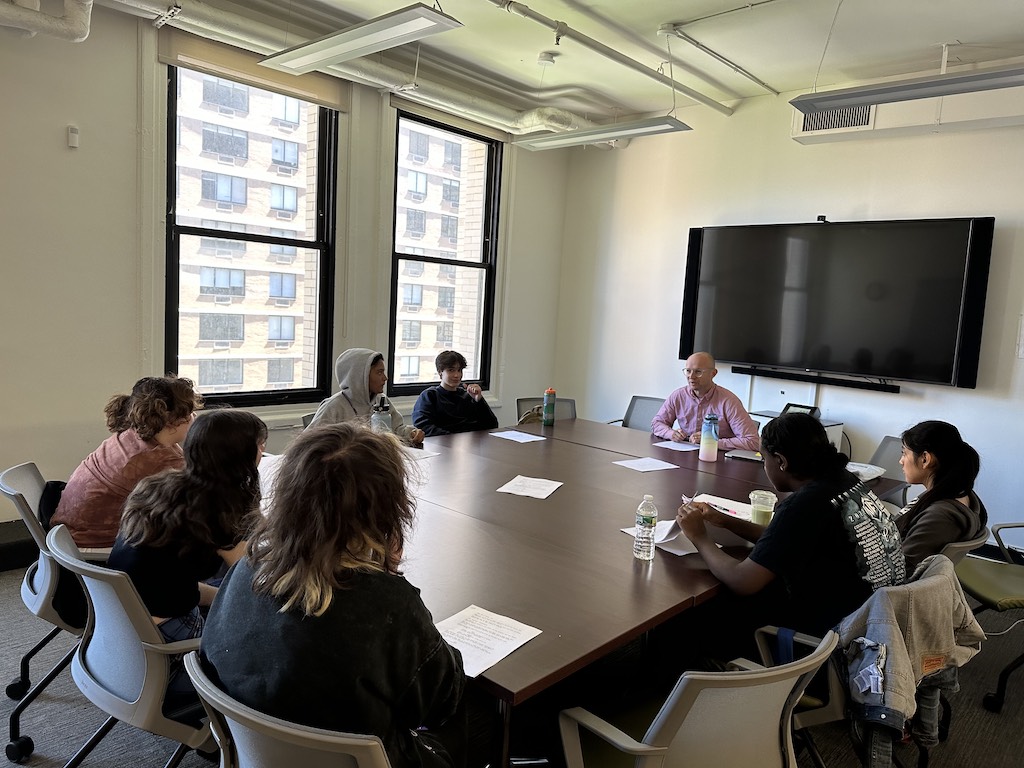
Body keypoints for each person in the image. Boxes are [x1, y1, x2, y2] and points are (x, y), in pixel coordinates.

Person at [200, 423, 467, 768]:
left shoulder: (249, 565)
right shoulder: (386, 604)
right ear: (387, 506)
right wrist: (386, 576)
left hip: (252, 750)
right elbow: (442, 701)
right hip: (367, 758)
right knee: (486, 715)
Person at [676, 413, 906, 638]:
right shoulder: (844, 481)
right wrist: (724, 520)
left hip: (835, 635)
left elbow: (743, 581)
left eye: (764, 458)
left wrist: (699, 537)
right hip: (875, 616)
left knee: (690, 617)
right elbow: (784, 540)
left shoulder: (806, 503)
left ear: (781, 461)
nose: (764, 465)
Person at [107, 410, 265, 643]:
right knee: (271, 618)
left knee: (222, 583)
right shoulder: (221, 508)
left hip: (122, 617)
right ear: (242, 455)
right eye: (261, 445)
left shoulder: (157, 486)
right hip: (166, 630)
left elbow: (169, 573)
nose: (263, 451)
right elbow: (251, 578)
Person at [52, 375, 203, 549]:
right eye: (190, 413)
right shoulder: (162, 460)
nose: (194, 417)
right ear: (171, 421)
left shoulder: (131, 435)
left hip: (66, 534)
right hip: (95, 545)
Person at [897, 420, 987, 572]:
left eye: (905, 453)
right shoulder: (955, 492)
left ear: (925, 459)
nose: (901, 461)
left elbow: (902, 569)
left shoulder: (941, 517)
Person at [307, 348, 425, 445]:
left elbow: (397, 429)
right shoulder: (335, 405)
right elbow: (308, 443)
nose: (385, 378)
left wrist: (411, 434)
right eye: (379, 372)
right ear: (359, 376)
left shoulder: (381, 399)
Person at [651, 351, 759, 451]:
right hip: (685, 455)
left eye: (698, 372)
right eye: (688, 371)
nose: (691, 377)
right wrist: (671, 434)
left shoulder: (728, 401)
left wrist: (712, 442)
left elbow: (753, 441)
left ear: (713, 373)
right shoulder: (678, 396)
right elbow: (657, 423)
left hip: (719, 459)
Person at [412, 350, 499, 437]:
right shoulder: (430, 396)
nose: (456, 375)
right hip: (443, 444)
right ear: (440, 372)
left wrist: (479, 400)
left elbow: (492, 425)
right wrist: (455, 439)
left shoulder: (467, 396)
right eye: (451, 370)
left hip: (470, 444)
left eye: (459, 370)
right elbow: (423, 427)